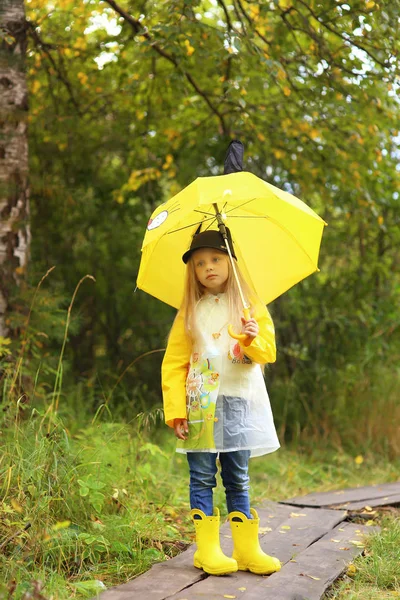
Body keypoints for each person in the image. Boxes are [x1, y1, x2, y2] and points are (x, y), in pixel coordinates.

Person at [161, 228, 281, 576]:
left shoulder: (248, 306)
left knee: (237, 476)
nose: (208, 267)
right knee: (201, 476)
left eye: (215, 259)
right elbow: (174, 362)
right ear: (193, 272)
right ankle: (208, 550)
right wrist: (177, 411)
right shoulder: (190, 313)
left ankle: (246, 550)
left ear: (230, 262)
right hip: (200, 403)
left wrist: (252, 338)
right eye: (200, 263)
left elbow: (266, 353)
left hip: (237, 401)